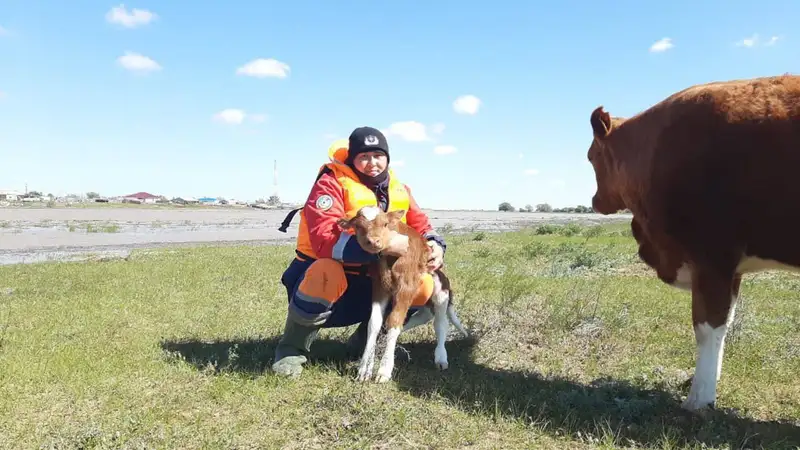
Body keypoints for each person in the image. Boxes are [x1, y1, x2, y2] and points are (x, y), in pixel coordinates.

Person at [272, 126, 447, 377]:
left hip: (373, 279)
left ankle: (364, 342)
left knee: (424, 285)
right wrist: (383, 246)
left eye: (378, 155)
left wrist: (435, 246)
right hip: (327, 281)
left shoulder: (399, 189)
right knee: (325, 271)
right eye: (363, 157)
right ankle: (291, 351)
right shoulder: (330, 183)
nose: (372, 163)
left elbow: (422, 225)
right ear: (352, 159)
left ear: (387, 158)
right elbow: (324, 239)